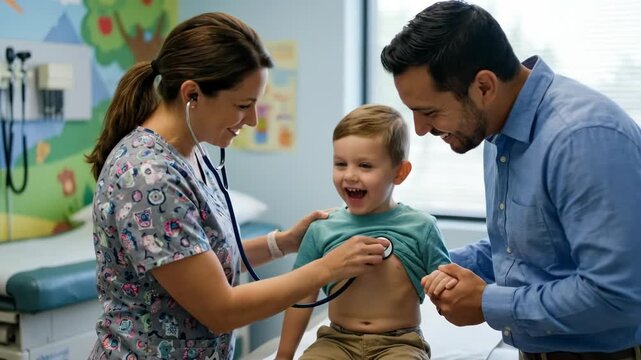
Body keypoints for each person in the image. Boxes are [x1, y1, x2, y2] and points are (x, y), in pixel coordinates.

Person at [85, 12, 390, 360]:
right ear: (192, 95)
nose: (253, 119)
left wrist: (283, 242)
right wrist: (328, 268)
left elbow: (203, 257)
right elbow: (221, 309)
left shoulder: (190, 154)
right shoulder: (146, 174)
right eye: (243, 105)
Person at [381, 1, 641, 359]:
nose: (421, 130)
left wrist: (488, 303)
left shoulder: (582, 138)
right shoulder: (495, 129)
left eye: (430, 112)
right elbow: (527, 252)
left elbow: (618, 295)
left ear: (484, 86)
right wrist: (423, 261)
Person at [275, 104, 453, 360]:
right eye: (340, 164)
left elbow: (444, 285)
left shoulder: (421, 227)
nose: (350, 175)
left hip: (399, 343)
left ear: (399, 172)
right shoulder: (322, 228)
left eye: (365, 166)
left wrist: (446, 286)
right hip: (336, 342)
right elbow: (300, 295)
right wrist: (284, 355)